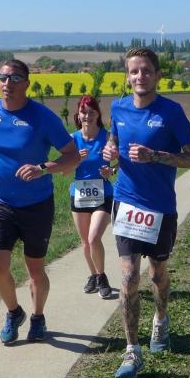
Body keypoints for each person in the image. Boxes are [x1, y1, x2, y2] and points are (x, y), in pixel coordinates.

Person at [102, 47, 190, 378]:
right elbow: (114, 143)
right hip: (127, 202)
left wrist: (154, 155)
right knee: (129, 276)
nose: (140, 76)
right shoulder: (118, 107)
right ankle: (132, 350)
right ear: (127, 76)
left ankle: (160, 319)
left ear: (157, 75)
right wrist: (110, 153)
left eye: (146, 70)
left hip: (159, 207)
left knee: (157, 273)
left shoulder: (171, 112)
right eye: (134, 71)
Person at [0, 59, 80, 344]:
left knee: (35, 269)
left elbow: (72, 155)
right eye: (3, 77)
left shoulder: (43, 117)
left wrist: (42, 168)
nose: (7, 83)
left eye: (15, 78)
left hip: (36, 204)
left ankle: (38, 316)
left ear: (27, 84)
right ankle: (13, 312)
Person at [69, 95, 115, 298]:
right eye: (83, 112)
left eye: (91, 112)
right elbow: (64, 170)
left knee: (94, 237)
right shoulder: (72, 139)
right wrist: (74, 161)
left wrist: (111, 170)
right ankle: (93, 276)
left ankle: (102, 277)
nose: (87, 116)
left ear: (98, 115)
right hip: (79, 194)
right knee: (85, 242)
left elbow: (122, 161)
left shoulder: (107, 137)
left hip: (103, 193)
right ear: (78, 115)